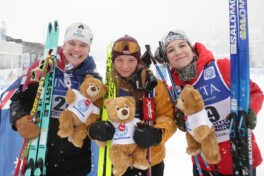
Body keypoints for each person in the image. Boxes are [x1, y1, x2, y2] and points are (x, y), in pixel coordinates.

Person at [156, 29, 263, 176]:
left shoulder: (221, 68)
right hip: (203, 165)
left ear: (192, 48)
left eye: (182, 45)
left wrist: (249, 111)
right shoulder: (175, 90)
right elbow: (187, 125)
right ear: (167, 58)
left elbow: (255, 92)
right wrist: (181, 121)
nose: (178, 52)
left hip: (239, 156)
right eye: (170, 50)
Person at [9, 22, 102, 176]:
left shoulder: (93, 80)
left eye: (83, 45)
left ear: (89, 49)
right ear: (64, 45)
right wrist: (19, 119)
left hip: (77, 163)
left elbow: (97, 116)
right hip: (40, 156)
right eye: (72, 43)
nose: (77, 50)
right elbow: (19, 99)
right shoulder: (43, 69)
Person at [88, 35, 177, 176]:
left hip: (149, 160)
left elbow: (168, 117)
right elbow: (93, 116)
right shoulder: (107, 89)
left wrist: (157, 135)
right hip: (117, 160)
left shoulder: (154, 86)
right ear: (113, 61)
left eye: (131, 60)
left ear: (138, 61)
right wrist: (94, 129)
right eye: (119, 60)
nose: (125, 66)